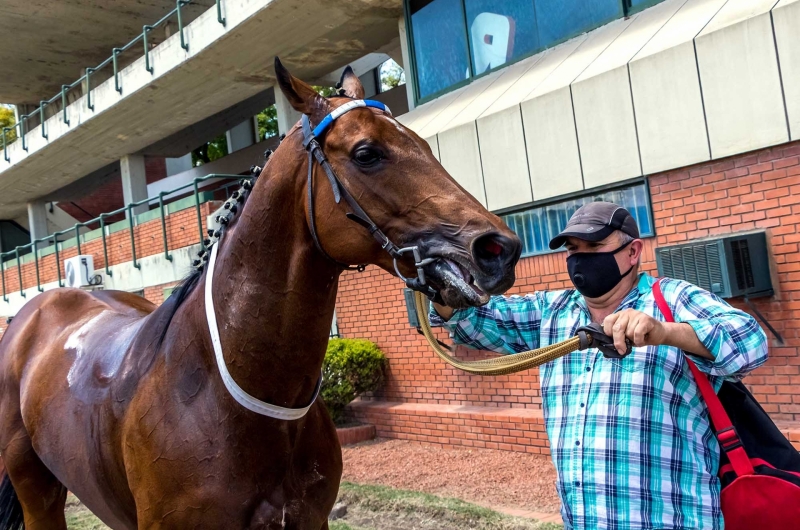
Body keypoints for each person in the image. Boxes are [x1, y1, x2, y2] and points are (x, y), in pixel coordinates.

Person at [430, 202, 768, 530]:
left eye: (594, 245)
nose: (581, 257)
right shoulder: (552, 311)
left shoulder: (673, 299)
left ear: (633, 252)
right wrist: (437, 281)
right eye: (573, 248)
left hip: (670, 519)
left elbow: (751, 341)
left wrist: (667, 332)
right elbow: (469, 319)